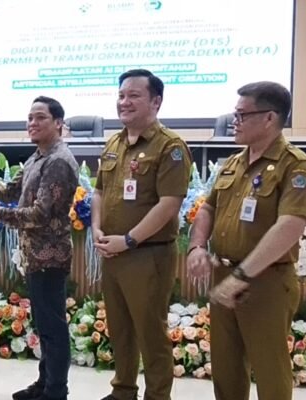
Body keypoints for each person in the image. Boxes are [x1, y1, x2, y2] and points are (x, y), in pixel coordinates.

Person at [186, 82, 306, 400]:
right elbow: (208, 208)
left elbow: (290, 225)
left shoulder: (295, 166)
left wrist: (243, 274)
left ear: (270, 118)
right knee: (226, 368)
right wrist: (197, 246)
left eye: (242, 115)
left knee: (269, 370)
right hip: (224, 276)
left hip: (266, 281)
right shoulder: (234, 162)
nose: (234, 121)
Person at [91, 69, 192, 400]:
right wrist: (96, 229)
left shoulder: (170, 147)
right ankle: (123, 390)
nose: (124, 102)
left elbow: (169, 203)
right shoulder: (115, 142)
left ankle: (157, 396)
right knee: (119, 328)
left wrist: (130, 239)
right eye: (121, 95)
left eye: (134, 95)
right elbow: (99, 191)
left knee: (150, 332)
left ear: (156, 102)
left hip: (148, 254)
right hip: (113, 252)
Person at [0, 96, 79, 400]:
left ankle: (56, 391)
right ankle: (45, 383)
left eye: (40, 117)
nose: (32, 123)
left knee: (53, 327)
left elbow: (40, 215)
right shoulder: (37, 157)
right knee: (44, 324)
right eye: (30, 118)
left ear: (58, 123)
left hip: (50, 256)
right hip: (35, 255)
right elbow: (9, 191)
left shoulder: (58, 161)